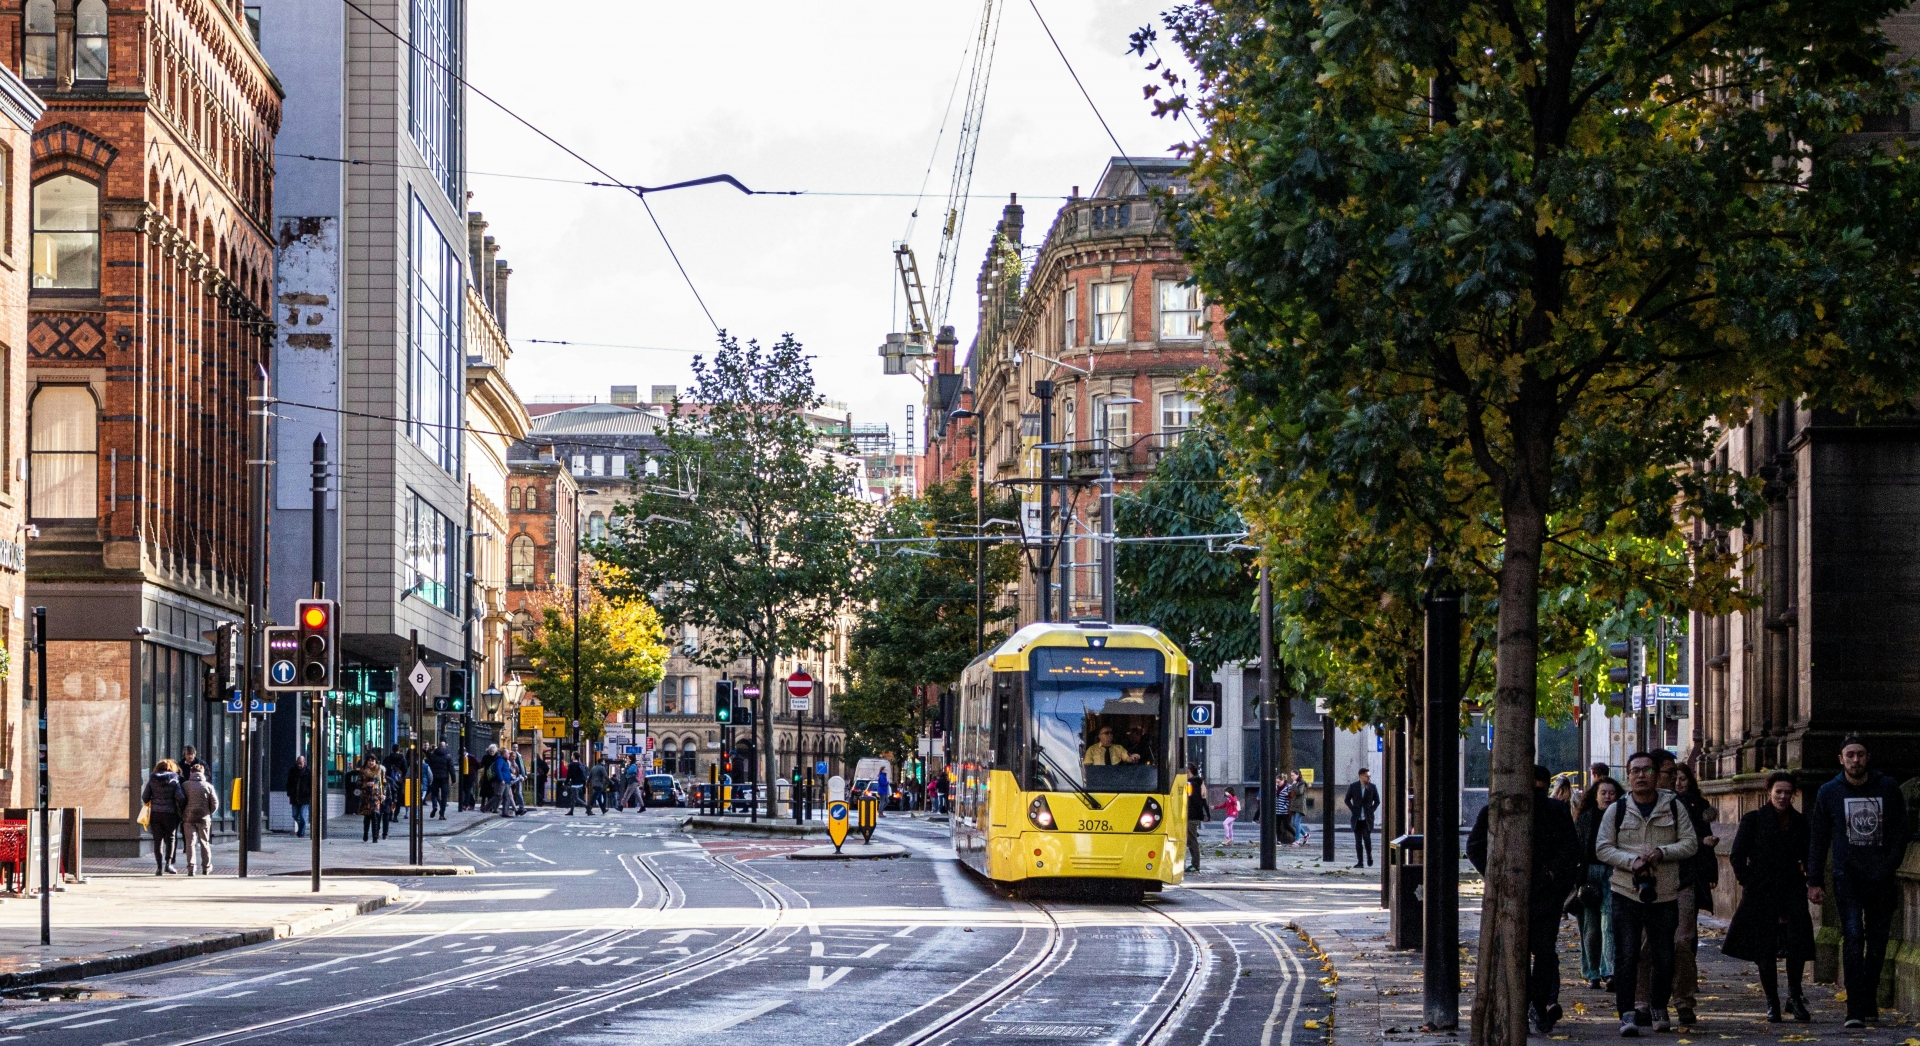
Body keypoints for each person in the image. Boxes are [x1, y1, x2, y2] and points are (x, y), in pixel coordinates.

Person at [1467, 765, 1581, 1034]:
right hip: (1523, 894)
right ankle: (1531, 1004)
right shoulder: (1497, 810)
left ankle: (1536, 1004)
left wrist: (1553, 881)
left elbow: (1570, 852)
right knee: (1531, 952)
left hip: (1542, 896)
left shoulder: (1555, 811)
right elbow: (1474, 847)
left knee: (1540, 953)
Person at [1806, 734, 1908, 1028]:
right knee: (1852, 939)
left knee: (1877, 944)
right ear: (1841, 759)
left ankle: (1869, 999)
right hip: (1847, 877)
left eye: (1860, 754)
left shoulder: (1887, 788)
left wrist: (1888, 865)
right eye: (1849, 755)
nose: (1855, 760)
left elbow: (1901, 832)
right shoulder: (1829, 792)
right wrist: (1814, 881)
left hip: (1881, 878)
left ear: (1868, 757)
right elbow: (1819, 839)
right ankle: (1854, 1007)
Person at [1596, 751, 1699, 1036]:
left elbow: (1690, 844)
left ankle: (1658, 1006)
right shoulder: (1616, 810)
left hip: (1664, 893)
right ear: (1627, 776)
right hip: (1625, 892)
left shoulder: (1675, 807)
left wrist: (1661, 853)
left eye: (1647, 770)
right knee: (1628, 954)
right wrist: (1632, 862)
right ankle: (1627, 1014)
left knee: (1665, 954)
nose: (1641, 775)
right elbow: (1602, 847)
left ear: (1656, 775)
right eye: (1635, 771)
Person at [1724, 770, 1815, 1023]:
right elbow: (1737, 855)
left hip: (1791, 889)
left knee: (1796, 945)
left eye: (1788, 792)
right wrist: (1749, 880)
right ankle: (1772, 1000)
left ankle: (1795, 996)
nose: (1783, 797)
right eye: (1779, 792)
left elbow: (1809, 855)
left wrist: (1811, 881)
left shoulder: (1801, 821)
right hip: (1761, 890)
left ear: (1794, 795)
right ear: (1769, 792)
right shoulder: (1753, 819)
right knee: (1764, 948)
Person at [1664, 762, 1719, 1025]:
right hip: (1660, 877)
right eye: (1673, 778)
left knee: (1684, 937)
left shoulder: (1698, 805)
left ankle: (1684, 995)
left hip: (1690, 875)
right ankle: (1651, 999)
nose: (1678, 783)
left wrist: (1711, 874)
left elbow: (1704, 839)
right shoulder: (1661, 804)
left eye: (1682, 778)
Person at [1574, 777, 1622, 989]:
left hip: (1614, 872)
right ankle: (1592, 971)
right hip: (1589, 875)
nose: (1608, 797)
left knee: (1609, 922)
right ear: (1596, 795)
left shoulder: (1623, 817)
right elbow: (1576, 847)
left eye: (1612, 793)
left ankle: (1609, 971)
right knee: (1591, 926)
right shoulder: (1585, 818)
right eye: (1604, 793)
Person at [142, 759, 184, 875]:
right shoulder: (174, 779)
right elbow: (180, 797)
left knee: (157, 840)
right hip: (170, 813)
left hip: (155, 813)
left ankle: (159, 867)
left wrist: (154, 800)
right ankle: (168, 864)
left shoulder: (152, 779)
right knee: (171, 839)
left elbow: (145, 797)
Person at [181, 764, 219, 875]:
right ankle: (206, 867)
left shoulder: (185, 785)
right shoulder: (208, 786)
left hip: (189, 817)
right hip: (204, 818)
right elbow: (215, 803)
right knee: (204, 842)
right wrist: (208, 812)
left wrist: (183, 812)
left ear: (191, 772)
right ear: (202, 773)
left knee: (190, 843)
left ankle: (191, 868)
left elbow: (180, 800)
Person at [1344, 768, 1380, 868]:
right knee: (1358, 841)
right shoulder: (1353, 786)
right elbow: (1346, 799)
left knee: (1367, 839)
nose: (1369, 777)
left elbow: (1377, 801)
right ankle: (1360, 861)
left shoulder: (1372, 787)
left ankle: (1369, 856)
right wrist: (1353, 809)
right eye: (1367, 776)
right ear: (1361, 776)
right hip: (1357, 818)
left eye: (1369, 776)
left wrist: (1371, 810)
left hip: (1367, 818)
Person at [359, 756, 387, 843]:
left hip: (376, 797)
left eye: (373, 761)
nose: (371, 762)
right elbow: (358, 783)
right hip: (366, 797)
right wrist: (365, 784)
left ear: (376, 761)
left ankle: (375, 837)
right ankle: (365, 834)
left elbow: (384, 783)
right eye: (369, 760)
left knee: (375, 816)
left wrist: (384, 794)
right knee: (367, 817)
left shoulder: (380, 771)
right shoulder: (363, 771)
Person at [1186, 767, 1209, 871]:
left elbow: (1194, 801)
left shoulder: (1192, 784)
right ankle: (1194, 864)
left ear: (1188, 771)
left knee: (1192, 840)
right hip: (1192, 815)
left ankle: (1195, 864)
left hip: (1191, 816)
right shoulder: (1196, 783)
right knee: (1190, 839)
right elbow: (1202, 801)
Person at [286, 755, 312, 839]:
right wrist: (289, 792)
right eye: (298, 763)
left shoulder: (308, 772)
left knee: (303, 816)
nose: (299, 765)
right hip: (294, 796)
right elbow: (289, 782)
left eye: (301, 763)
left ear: (304, 762)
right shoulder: (292, 771)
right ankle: (301, 829)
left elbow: (311, 784)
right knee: (295, 815)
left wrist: (309, 792)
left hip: (305, 798)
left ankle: (301, 833)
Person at [427, 743, 453, 819]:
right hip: (444, 778)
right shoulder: (448, 756)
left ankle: (435, 806)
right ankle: (442, 814)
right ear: (444, 747)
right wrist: (453, 779)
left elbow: (430, 766)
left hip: (435, 778)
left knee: (434, 794)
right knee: (444, 797)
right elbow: (451, 769)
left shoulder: (433, 756)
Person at [1290, 770, 1311, 846]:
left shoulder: (1301, 782)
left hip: (1300, 805)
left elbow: (1299, 792)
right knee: (1293, 823)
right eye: (1291, 775)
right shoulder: (1296, 783)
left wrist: (1294, 785)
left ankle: (1297, 840)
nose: (1292, 777)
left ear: (1297, 775)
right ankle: (1305, 834)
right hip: (1295, 805)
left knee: (1296, 823)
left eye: (1293, 775)